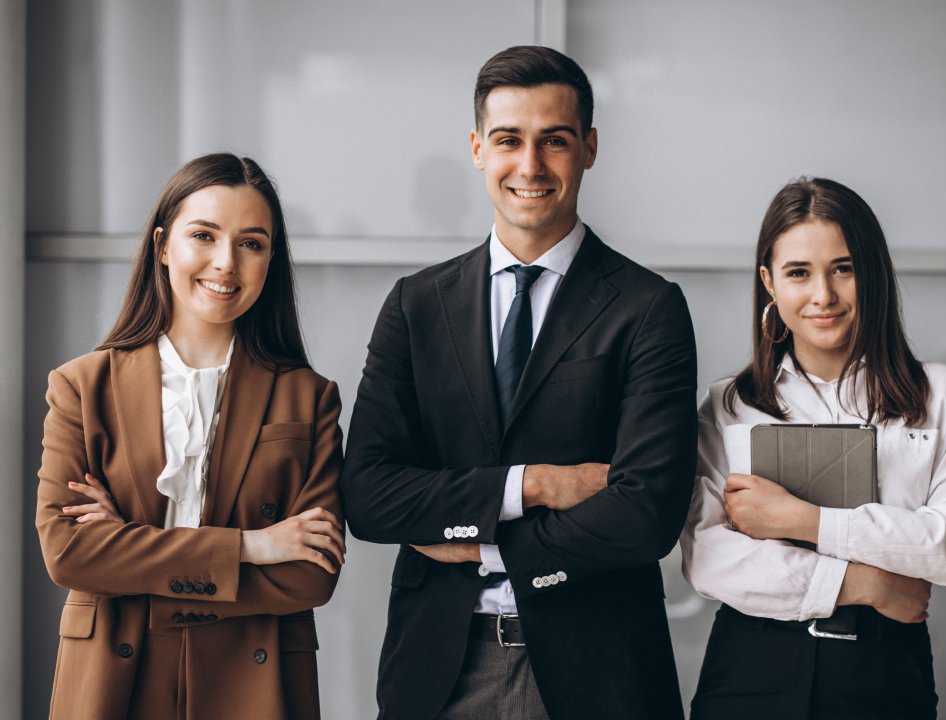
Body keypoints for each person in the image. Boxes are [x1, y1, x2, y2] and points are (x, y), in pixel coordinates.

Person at [341, 46, 697, 720]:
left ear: (589, 149)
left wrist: (477, 538)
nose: (530, 166)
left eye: (554, 141)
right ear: (478, 149)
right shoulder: (416, 306)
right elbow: (369, 494)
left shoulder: (648, 308)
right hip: (441, 671)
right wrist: (534, 485)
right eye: (509, 140)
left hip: (599, 677)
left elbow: (647, 513)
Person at [36, 153, 346, 720]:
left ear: (270, 261)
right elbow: (70, 553)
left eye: (251, 243)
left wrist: (128, 549)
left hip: (253, 684)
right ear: (162, 246)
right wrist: (253, 547)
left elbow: (309, 574)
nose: (225, 262)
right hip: (111, 680)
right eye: (203, 235)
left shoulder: (309, 397)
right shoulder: (82, 387)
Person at [680, 177, 946, 720]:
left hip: (885, 670)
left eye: (843, 269)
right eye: (799, 273)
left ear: (872, 274)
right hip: (752, 669)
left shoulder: (941, 394)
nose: (823, 295)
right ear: (769, 283)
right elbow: (709, 559)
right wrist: (865, 581)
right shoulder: (728, 405)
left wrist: (805, 521)